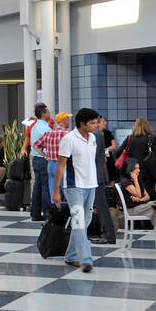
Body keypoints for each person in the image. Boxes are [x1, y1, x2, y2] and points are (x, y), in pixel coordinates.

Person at [52, 108, 101, 274]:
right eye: (92, 123)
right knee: (79, 222)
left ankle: (71, 255)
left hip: (91, 185)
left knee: (84, 222)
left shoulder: (93, 138)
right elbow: (60, 166)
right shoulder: (69, 139)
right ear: (82, 124)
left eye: (96, 122)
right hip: (74, 187)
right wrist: (56, 191)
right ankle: (86, 259)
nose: (96, 125)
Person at [117, 118, 156, 189]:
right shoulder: (151, 138)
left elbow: (117, 153)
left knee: (136, 193)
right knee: (148, 193)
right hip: (148, 172)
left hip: (133, 172)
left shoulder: (129, 138)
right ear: (147, 126)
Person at [26, 103, 52, 221]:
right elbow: (48, 144)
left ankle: (35, 213)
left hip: (35, 158)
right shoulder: (45, 128)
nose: (49, 113)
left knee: (37, 186)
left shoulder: (35, 126)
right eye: (47, 111)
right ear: (43, 114)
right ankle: (47, 213)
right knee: (46, 186)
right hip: (43, 158)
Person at [39, 111, 72, 195]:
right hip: (62, 164)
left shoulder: (49, 133)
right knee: (64, 188)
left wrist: (45, 156)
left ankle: (54, 206)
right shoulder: (68, 134)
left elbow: (36, 145)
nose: (69, 121)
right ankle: (64, 207)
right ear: (64, 121)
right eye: (68, 119)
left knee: (53, 189)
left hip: (51, 164)